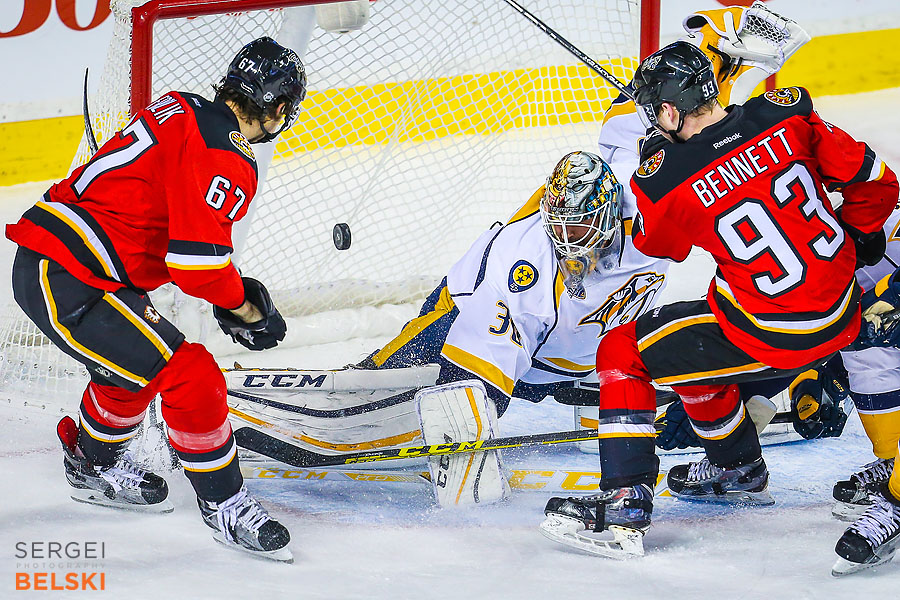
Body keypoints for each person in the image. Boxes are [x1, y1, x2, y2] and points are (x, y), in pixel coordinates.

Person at [226, 3, 813, 508]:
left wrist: (728, 49)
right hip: (477, 315)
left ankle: (781, 388)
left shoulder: (661, 176)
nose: (575, 242)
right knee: (388, 395)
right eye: (569, 230)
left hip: (584, 349)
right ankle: (233, 410)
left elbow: (704, 111)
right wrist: (460, 441)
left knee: (686, 398)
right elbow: (468, 393)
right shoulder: (529, 262)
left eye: (586, 231)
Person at [539, 40, 898, 560]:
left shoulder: (668, 179)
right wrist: (862, 236)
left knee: (622, 350)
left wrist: (651, 171)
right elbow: (878, 182)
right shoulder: (790, 115)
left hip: (769, 334)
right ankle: (736, 469)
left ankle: (623, 502)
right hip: (843, 311)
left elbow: (658, 245)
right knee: (695, 337)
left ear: (666, 110)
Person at [5, 37, 306, 562]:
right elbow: (196, 266)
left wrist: (225, 289)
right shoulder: (229, 153)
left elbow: (175, 231)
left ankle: (91, 461)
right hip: (72, 276)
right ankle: (226, 504)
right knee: (191, 373)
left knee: (135, 367)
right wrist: (246, 307)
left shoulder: (181, 105)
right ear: (280, 109)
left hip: (60, 263)